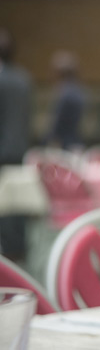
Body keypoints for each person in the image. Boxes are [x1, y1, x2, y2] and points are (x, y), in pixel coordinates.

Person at [0, 28, 32, 260]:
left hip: (3, 150)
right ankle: (17, 251)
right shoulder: (23, 79)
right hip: (19, 148)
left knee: (6, 204)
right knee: (16, 203)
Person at [46, 50, 86, 150]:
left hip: (64, 144)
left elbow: (57, 122)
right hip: (76, 140)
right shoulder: (80, 90)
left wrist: (46, 140)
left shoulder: (65, 93)